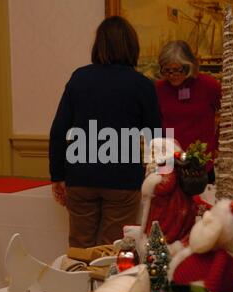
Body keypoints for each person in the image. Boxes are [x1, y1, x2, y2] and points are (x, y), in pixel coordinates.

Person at [49, 16, 161, 248]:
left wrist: (57, 176)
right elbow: (156, 137)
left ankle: (76, 284)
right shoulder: (142, 85)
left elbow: (59, 129)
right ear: (132, 46)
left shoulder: (79, 78)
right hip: (122, 177)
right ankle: (104, 286)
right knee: (113, 249)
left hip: (80, 175)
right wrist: (157, 176)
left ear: (98, 45)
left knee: (79, 248)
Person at [155, 40, 221, 183]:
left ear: (190, 66)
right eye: (167, 70)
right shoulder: (159, 89)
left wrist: (217, 144)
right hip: (169, 164)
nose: (173, 75)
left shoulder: (209, 85)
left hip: (201, 166)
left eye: (179, 69)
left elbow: (229, 116)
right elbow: (156, 124)